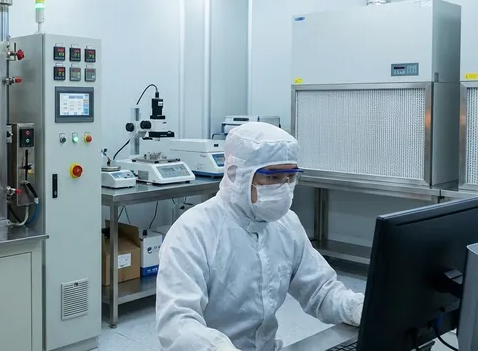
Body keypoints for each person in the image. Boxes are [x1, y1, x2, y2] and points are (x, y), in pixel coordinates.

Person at [155, 122, 364, 351]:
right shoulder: (193, 231)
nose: (284, 187)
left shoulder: (286, 224)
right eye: (273, 177)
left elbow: (320, 290)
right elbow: (178, 323)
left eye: (290, 176)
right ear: (237, 175)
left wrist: (358, 308)